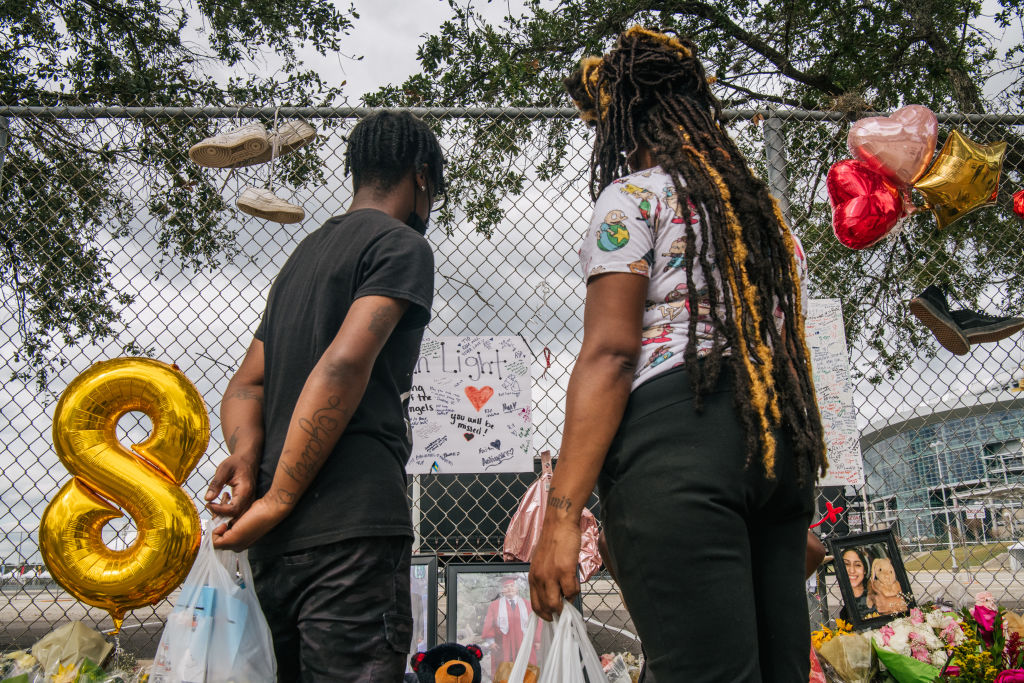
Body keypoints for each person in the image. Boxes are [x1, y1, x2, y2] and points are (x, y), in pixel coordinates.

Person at [528, 27, 827, 682]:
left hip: (677, 444)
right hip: (778, 448)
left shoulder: (632, 198)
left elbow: (610, 352)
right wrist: (784, 505)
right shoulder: (766, 216)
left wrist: (562, 516)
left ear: (624, 118)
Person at [203, 110, 445, 681]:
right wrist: (281, 496)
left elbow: (247, 382)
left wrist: (243, 457)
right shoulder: (401, 245)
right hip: (350, 531)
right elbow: (343, 363)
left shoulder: (301, 258)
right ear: (421, 178)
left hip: (275, 545)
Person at [480, 577, 535, 678]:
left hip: (523, 643)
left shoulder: (528, 605)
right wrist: (491, 642)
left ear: (517, 588)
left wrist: (537, 640)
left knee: (525, 670)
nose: (510, 589)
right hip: (502, 644)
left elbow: (536, 623)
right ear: (502, 590)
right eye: (506, 587)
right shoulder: (494, 605)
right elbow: (489, 624)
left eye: (512, 586)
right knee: (504, 672)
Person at [839, 548, 874, 620]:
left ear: (865, 570)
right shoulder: (845, 613)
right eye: (846, 564)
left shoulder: (877, 599)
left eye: (857, 565)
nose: (852, 570)